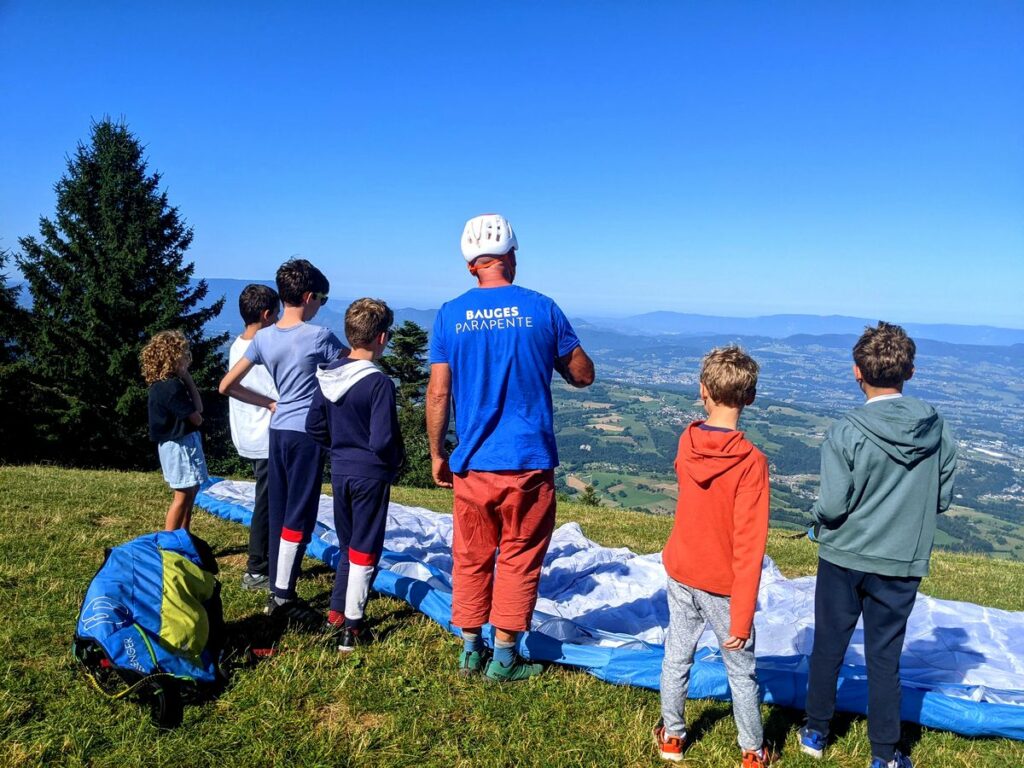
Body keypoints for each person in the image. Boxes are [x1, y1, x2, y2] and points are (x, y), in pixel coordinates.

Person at [426, 213, 595, 683]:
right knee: (520, 554)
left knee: (471, 554)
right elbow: (583, 375)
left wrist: (438, 453)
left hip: (473, 462)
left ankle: (469, 648)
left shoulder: (448, 314)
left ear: (470, 267)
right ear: (512, 258)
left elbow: (438, 393)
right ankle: (504, 657)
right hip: (528, 460)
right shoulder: (542, 308)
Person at [799, 322, 958, 768]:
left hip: (842, 555)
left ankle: (815, 731)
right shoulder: (935, 426)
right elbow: (942, 497)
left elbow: (831, 506)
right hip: (901, 561)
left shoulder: (846, 430)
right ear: (910, 370)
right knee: (885, 657)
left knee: (829, 645)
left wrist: (815, 524)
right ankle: (885, 753)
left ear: (856, 373)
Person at [655, 346, 772, 767]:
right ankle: (753, 752)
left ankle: (672, 736)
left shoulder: (687, 441)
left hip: (682, 569)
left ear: (702, 391)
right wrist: (741, 617)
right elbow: (749, 544)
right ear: (751, 398)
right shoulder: (752, 464)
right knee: (740, 669)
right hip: (724, 584)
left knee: (677, 654)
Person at [219, 259, 347, 628]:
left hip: (278, 432)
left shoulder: (263, 338)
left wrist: (270, 403)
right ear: (308, 297)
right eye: (321, 298)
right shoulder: (319, 336)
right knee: (300, 513)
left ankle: (278, 584)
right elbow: (352, 366)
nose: (321, 305)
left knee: (278, 508)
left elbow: (226, 385)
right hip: (307, 434)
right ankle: (283, 594)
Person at [306, 298, 404, 651]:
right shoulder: (378, 383)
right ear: (381, 337)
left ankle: (336, 612)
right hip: (371, 473)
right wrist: (394, 462)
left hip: (341, 470)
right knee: (366, 549)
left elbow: (314, 424)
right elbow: (383, 439)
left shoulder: (329, 374)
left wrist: (338, 449)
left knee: (347, 546)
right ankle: (353, 627)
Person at [228, 284, 281, 592]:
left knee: (268, 498)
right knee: (267, 502)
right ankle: (257, 569)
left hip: (250, 433)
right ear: (265, 315)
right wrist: (272, 403)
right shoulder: (262, 348)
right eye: (276, 314)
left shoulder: (238, 344)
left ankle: (265, 562)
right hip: (265, 435)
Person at [141, 330, 208, 532]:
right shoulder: (171, 387)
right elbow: (197, 416)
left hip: (179, 443)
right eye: (184, 356)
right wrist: (187, 378)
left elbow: (198, 410)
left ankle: (183, 535)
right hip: (179, 445)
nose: (187, 360)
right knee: (183, 494)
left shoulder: (162, 385)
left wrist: (186, 378)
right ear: (173, 358)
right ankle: (170, 540)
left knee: (192, 489)